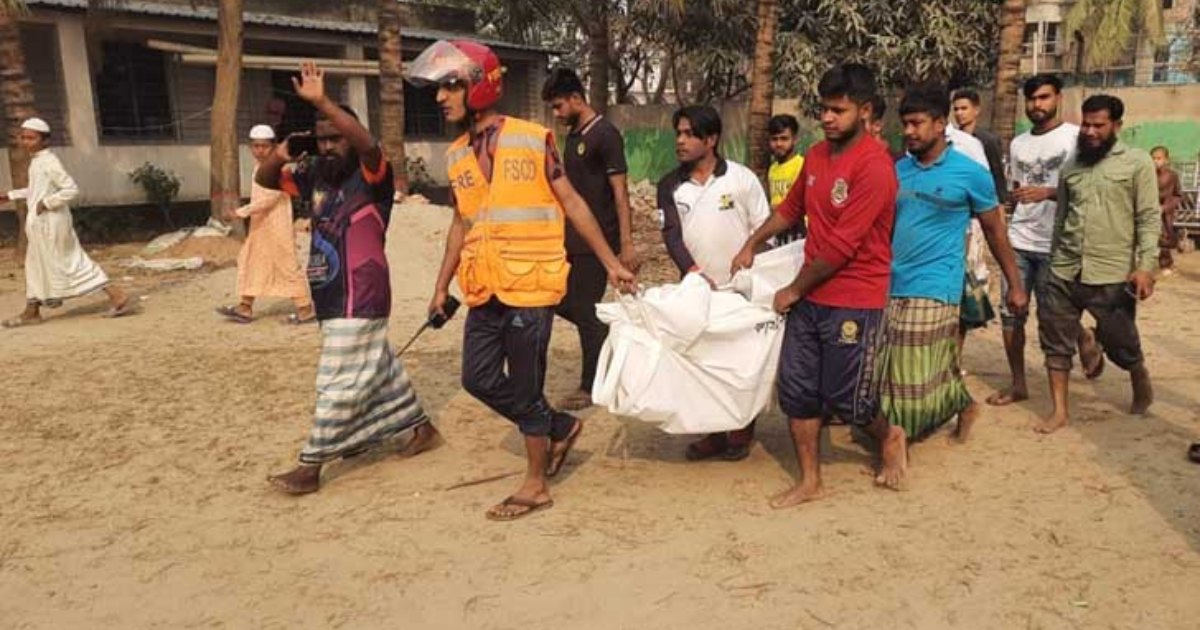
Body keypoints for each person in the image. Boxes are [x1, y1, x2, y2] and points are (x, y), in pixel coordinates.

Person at [408, 40, 636, 521]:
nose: (440, 97)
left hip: (532, 282)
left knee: (527, 382)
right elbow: (460, 222)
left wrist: (612, 261)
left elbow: (573, 202)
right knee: (478, 377)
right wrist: (438, 286)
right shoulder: (454, 156)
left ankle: (535, 485)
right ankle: (558, 427)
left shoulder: (533, 138)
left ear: (478, 85)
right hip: (484, 283)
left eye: (449, 86)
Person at [257, 63, 441, 495]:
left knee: (335, 380)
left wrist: (321, 102)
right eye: (323, 139)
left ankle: (310, 466)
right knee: (380, 368)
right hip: (330, 293)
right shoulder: (314, 174)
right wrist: (284, 152)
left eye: (337, 136)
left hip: (362, 290)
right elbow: (266, 180)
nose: (330, 145)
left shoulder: (373, 173)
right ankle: (421, 429)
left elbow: (366, 143)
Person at [730, 64, 904, 505]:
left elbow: (844, 245)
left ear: (864, 112)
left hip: (855, 298)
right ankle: (810, 480)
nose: (827, 118)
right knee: (799, 390)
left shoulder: (876, 169)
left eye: (838, 110)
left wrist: (792, 290)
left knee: (849, 400)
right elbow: (790, 210)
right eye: (823, 109)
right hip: (810, 294)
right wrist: (752, 242)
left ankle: (890, 434)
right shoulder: (816, 156)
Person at [879, 82, 1027, 446]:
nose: (909, 132)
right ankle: (963, 404)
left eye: (917, 123)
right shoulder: (899, 170)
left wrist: (1015, 284)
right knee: (917, 361)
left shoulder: (969, 172)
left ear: (940, 122)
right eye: (905, 124)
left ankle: (897, 440)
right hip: (893, 280)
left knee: (908, 365)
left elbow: (994, 229)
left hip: (938, 282)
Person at [1036, 94, 1159, 433]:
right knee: (1055, 341)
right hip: (1064, 268)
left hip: (1112, 272)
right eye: (1085, 124)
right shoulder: (1071, 167)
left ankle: (1136, 371)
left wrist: (1145, 267)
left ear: (1116, 126)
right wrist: (1052, 259)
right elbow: (1061, 219)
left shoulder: (1137, 164)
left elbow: (1149, 218)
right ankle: (1059, 411)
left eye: (1098, 125)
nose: (1089, 131)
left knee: (1120, 339)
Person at [659, 104, 771, 461]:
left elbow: (763, 227)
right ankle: (712, 433)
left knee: (740, 363)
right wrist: (692, 272)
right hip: (697, 289)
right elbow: (672, 235)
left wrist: (751, 268)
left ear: (711, 139)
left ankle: (740, 431)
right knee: (702, 362)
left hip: (741, 290)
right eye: (678, 133)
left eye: (689, 133)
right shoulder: (670, 186)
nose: (680, 140)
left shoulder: (741, 179)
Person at [989, 74, 1101, 407]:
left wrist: (1050, 193)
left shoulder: (1075, 138)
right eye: (1032, 99)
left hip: (1058, 242)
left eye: (1044, 98)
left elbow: (1089, 185)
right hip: (1020, 239)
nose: (1037, 105)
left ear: (1058, 99)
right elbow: (1019, 185)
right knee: (1011, 313)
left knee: (1054, 315)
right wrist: (1015, 198)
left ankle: (1083, 335)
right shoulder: (1018, 143)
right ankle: (1018, 384)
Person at [540, 68, 640, 411]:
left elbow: (620, 192)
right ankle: (609, 333)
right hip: (571, 239)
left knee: (583, 308)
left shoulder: (606, 135)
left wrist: (626, 244)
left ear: (576, 98)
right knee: (559, 300)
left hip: (601, 241)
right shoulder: (572, 136)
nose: (556, 114)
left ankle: (589, 385)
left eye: (558, 106)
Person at [2, 117, 134, 328]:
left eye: (31, 138)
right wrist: (10, 195)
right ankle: (32, 310)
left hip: (51, 223)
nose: (26, 141)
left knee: (69, 261)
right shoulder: (37, 161)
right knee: (35, 264)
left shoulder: (49, 162)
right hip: (39, 223)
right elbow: (38, 190)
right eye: (23, 137)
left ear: (44, 140)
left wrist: (46, 203)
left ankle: (116, 295)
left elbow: (70, 189)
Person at [217, 124, 315, 325]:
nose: (260, 150)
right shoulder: (257, 168)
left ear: (273, 147)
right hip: (260, 226)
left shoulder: (280, 167)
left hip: (277, 225)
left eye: (264, 146)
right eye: (256, 146)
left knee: (287, 265)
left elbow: (270, 198)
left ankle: (305, 309)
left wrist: (239, 213)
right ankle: (245, 307)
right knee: (250, 261)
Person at [951, 88, 1008, 200]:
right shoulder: (950, 139)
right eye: (956, 109)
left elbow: (997, 175)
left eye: (964, 108)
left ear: (976, 110)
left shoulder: (988, 140)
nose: (959, 113)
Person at [767, 114, 806, 242]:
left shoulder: (802, 165)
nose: (778, 144)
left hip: (799, 233)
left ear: (794, 139)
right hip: (779, 233)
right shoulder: (773, 169)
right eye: (774, 139)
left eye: (784, 139)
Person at [1151, 146, 1183, 276]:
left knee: (1164, 238)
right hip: (1148, 209)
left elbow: (1178, 195)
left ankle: (1166, 264)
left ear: (1166, 159)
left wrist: (1165, 207)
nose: (1155, 161)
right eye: (1153, 158)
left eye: (1158, 158)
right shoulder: (1146, 173)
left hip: (1164, 212)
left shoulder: (1172, 175)